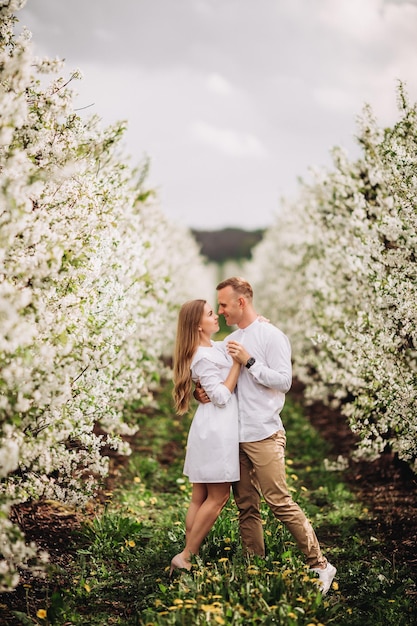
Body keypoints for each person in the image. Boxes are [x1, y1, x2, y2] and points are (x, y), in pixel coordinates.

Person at [195, 277, 337, 594]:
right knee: (246, 507)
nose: (220, 311)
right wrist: (198, 391)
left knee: (279, 501)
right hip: (235, 436)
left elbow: (284, 381)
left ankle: (321, 565)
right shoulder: (231, 338)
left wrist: (251, 362)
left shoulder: (272, 336)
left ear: (241, 302)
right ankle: (254, 573)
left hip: (264, 434)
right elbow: (206, 365)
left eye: (224, 305)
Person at [169, 298, 241, 576]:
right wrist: (237, 365)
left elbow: (229, 343)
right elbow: (221, 397)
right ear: (198, 325)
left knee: (199, 495)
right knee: (219, 496)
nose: (216, 317)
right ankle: (187, 555)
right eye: (211, 314)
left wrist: (258, 325)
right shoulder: (201, 356)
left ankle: (189, 552)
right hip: (217, 431)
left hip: (208, 427)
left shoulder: (210, 347)